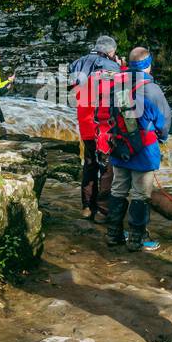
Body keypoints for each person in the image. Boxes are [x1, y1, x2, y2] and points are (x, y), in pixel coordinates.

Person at [105, 45, 172, 252]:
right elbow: (164, 122)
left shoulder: (116, 84)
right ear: (148, 66)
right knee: (140, 195)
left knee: (118, 190)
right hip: (144, 150)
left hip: (119, 147)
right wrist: (161, 137)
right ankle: (136, 239)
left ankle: (113, 234)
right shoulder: (153, 90)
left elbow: (108, 115)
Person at [68, 35, 122, 221]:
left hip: (85, 122)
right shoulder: (111, 67)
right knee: (106, 168)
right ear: (110, 51)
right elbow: (118, 97)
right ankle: (103, 209)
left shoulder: (77, 63)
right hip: (104, 126)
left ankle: (87, 207)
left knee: (89, 164)